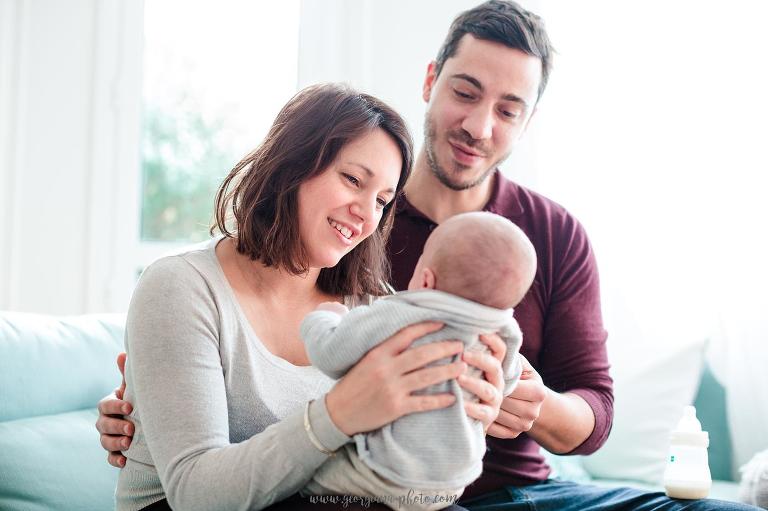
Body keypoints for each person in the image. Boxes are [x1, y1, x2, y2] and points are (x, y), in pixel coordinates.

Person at [99, 2, 760, 510]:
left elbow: (595, 410)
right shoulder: (348, 258)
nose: (479, 126)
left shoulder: (540, 238)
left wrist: (531, 401)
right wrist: (152, 407)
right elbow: (241, 415)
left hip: (512, 490)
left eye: (508, 109)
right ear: (431, 81)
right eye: (466, 93)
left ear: (527, 122)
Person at [108, 82, 508, 511]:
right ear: (292, 165)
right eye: (353, 179)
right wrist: (339, 414)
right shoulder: (181, 286)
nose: (365, 212)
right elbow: (194, 493)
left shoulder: (373, 307)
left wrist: (469, 407)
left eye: (382, 201)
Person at [299, 212, 537, 510]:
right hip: (450, 485)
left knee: (303, 480)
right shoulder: (505, 333)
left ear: (426, 279)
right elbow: (507, 381)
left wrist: (323, 319)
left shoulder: (403, 313)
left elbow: (330, 355)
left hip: (384, 474)